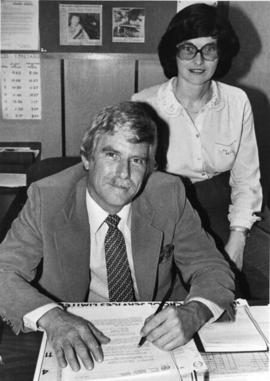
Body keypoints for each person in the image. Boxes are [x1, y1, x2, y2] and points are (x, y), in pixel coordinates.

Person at [0, 102, 234, 372]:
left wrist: (196, 311)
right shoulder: (47, 198)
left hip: (157, 336)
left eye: (136, 161)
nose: (124, 174)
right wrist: (53, 318)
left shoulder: (168, 193)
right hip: (73, 331)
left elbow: (211, 266)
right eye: (111, 155)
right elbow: (5, 271)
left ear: (149, 168)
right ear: (87, 158)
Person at [132, 3, 262, 273]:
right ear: (174, 53)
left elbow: (246, 178)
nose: (198, 61)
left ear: (221, 54)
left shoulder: (237, 102)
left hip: (226, 204)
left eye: (209, 50)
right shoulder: (144, 103)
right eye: (188, 49)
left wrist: (237, 237)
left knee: (262, 277)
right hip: (167, 208)